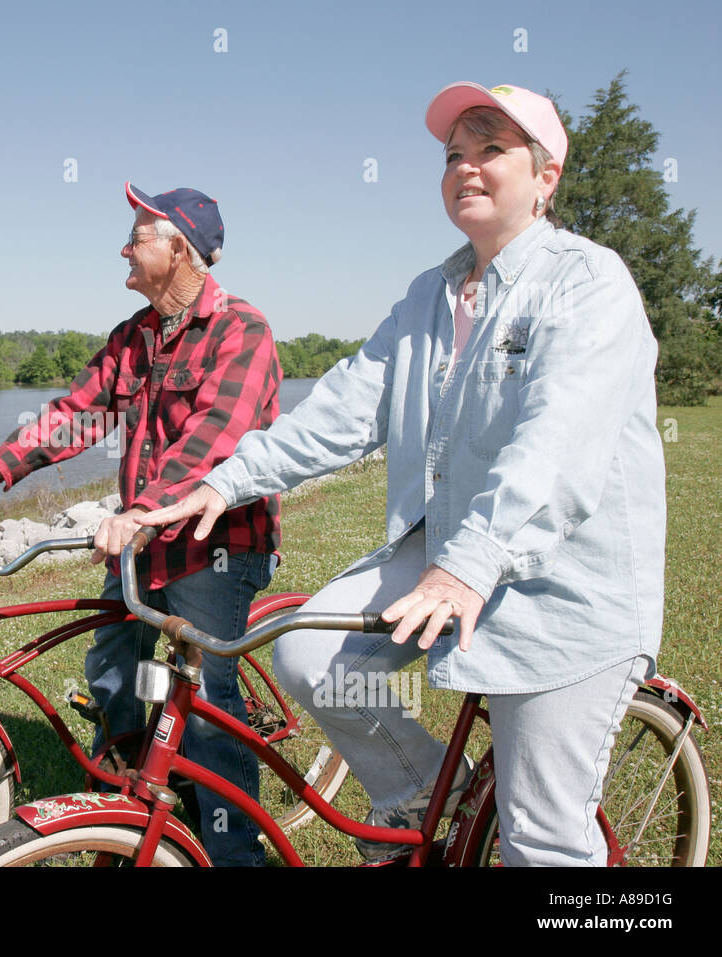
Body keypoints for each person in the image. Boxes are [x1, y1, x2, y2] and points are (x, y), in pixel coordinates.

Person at [132, 83, 666, 866]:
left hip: (565, 583)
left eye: (492, 149)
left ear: (546, 176)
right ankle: (429, 800)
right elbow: (344, 407)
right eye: (455, 154)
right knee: (308, 654)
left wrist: (468, 569)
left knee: (542, 835)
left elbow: (555, 451)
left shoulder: (588, 284)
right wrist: (228, 478)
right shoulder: (432, 295)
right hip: (446, 547)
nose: (467, 168)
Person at [0, 183, 283, 865]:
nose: (123, 247)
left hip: (213, 546)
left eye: (138, 235)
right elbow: (75, 412)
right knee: (114, 670)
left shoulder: (241, 331)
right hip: (144, 546)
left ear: (180, 250)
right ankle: (140, 800)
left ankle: (234, 852)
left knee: (208, 705)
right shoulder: (134, 337)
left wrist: (140, 511)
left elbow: (212, 441)